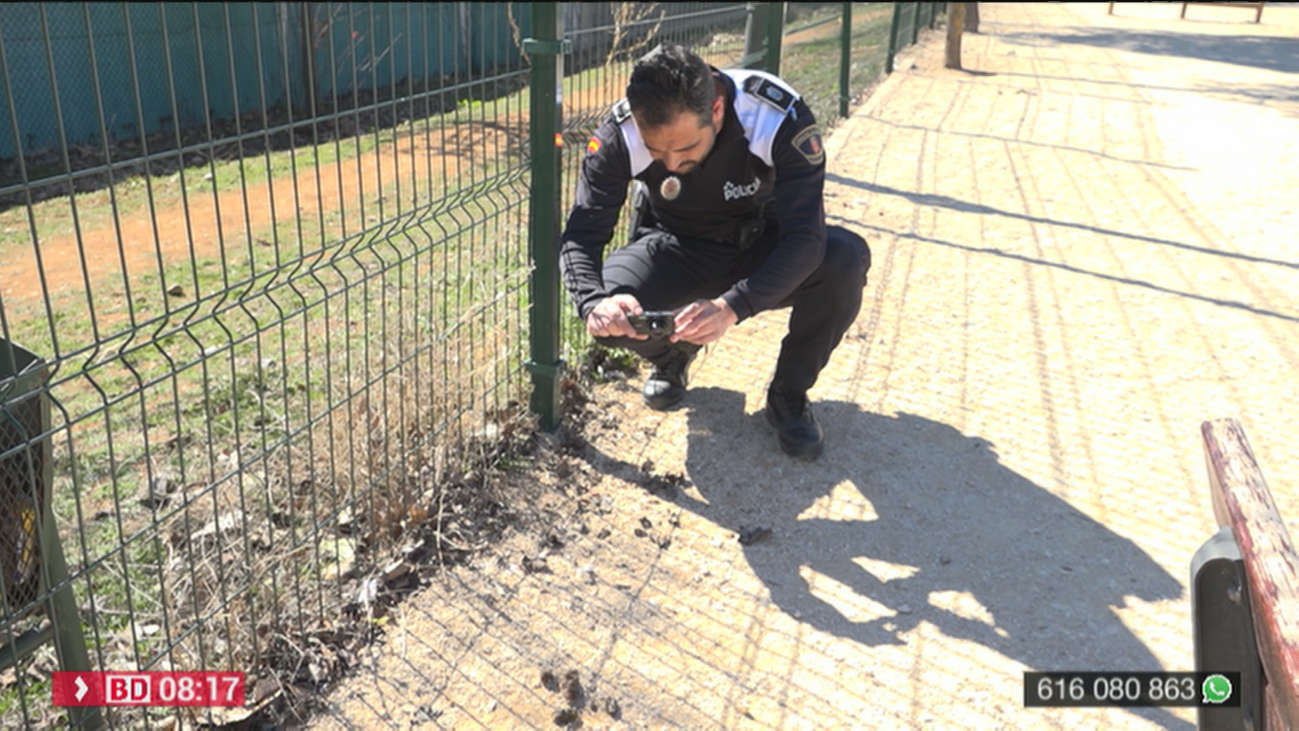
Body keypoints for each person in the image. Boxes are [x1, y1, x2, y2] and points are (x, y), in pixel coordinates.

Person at [558, 42, 870, 460]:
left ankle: (788, 393)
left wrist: (732, 307)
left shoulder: (776, 116)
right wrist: (593, 302)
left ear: (718, 109)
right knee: (615, 305)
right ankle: (672, 355)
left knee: (845, 258)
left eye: (685, 149)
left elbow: (805, 239)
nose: (669, 164)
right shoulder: (619, 134)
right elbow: (581, 234)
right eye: (655, 151)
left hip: (765, 246)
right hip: (678, 247)